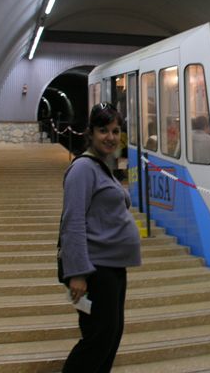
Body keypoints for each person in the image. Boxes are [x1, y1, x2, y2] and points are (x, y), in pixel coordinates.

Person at [60, 102, 142, 372]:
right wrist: (77, 273)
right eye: (103, 130)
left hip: (113, 267)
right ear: (91, 132)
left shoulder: (101, 166)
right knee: (97, 339)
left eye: (115, 131)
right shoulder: (82, 169)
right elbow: (73, 222)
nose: (110, 137)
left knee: (111, 335)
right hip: (96, 269)